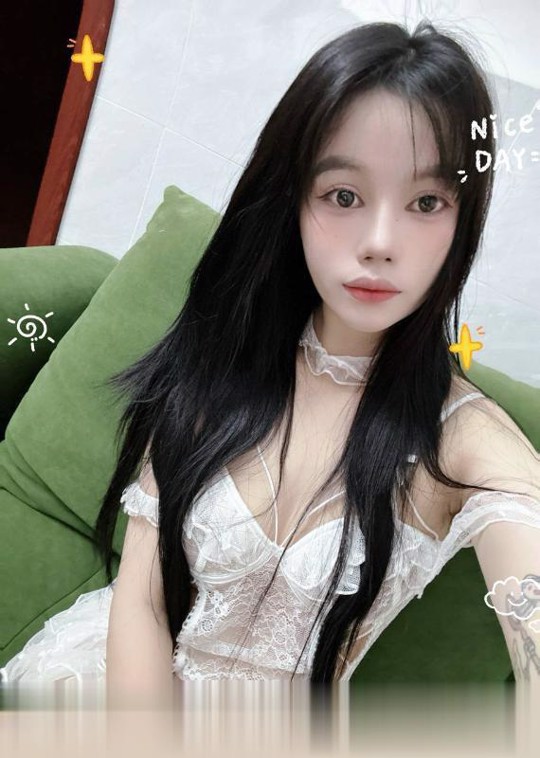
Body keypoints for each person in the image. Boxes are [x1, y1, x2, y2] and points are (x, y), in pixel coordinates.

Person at [1, 20, 539, 695]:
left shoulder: (463, 439)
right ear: (295, 200)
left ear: (463, 220)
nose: (379, 241)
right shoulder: (227, 354)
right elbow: (141, 600)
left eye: (426, 202)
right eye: (344, 196)